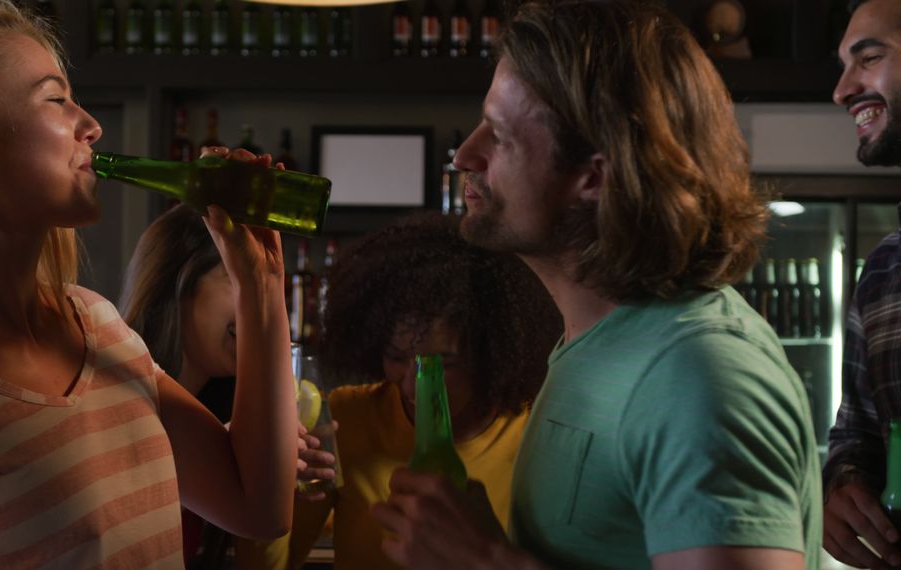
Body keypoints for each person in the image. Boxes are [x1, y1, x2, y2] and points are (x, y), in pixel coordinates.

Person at [0, 2, 296, 568]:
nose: (91, 126)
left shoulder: (99, 325)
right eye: (56, 99)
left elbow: (258, 507)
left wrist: (262, 284)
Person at [369, 1, 822, 569]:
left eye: (501, 137)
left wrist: (485, 562)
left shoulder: (697, 375)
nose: (466, 155)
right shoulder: (592, 344)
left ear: (594, 177)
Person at [233, 212, 562, 570]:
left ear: (492, 353)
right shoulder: (347, 419)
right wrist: (280, 488)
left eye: (442, 364)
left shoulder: (537, 436)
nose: (412, 384)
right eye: (396, 357)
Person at [119, 203, 243, 568]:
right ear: (181, 280)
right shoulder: (122, 403)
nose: (260, 305)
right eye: (236, 278)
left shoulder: (219, 416)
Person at [824, 1, 901, 568]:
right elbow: (856, 432)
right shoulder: (881, 272)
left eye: (868, 58)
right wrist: (844, 486)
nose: (842, 90)